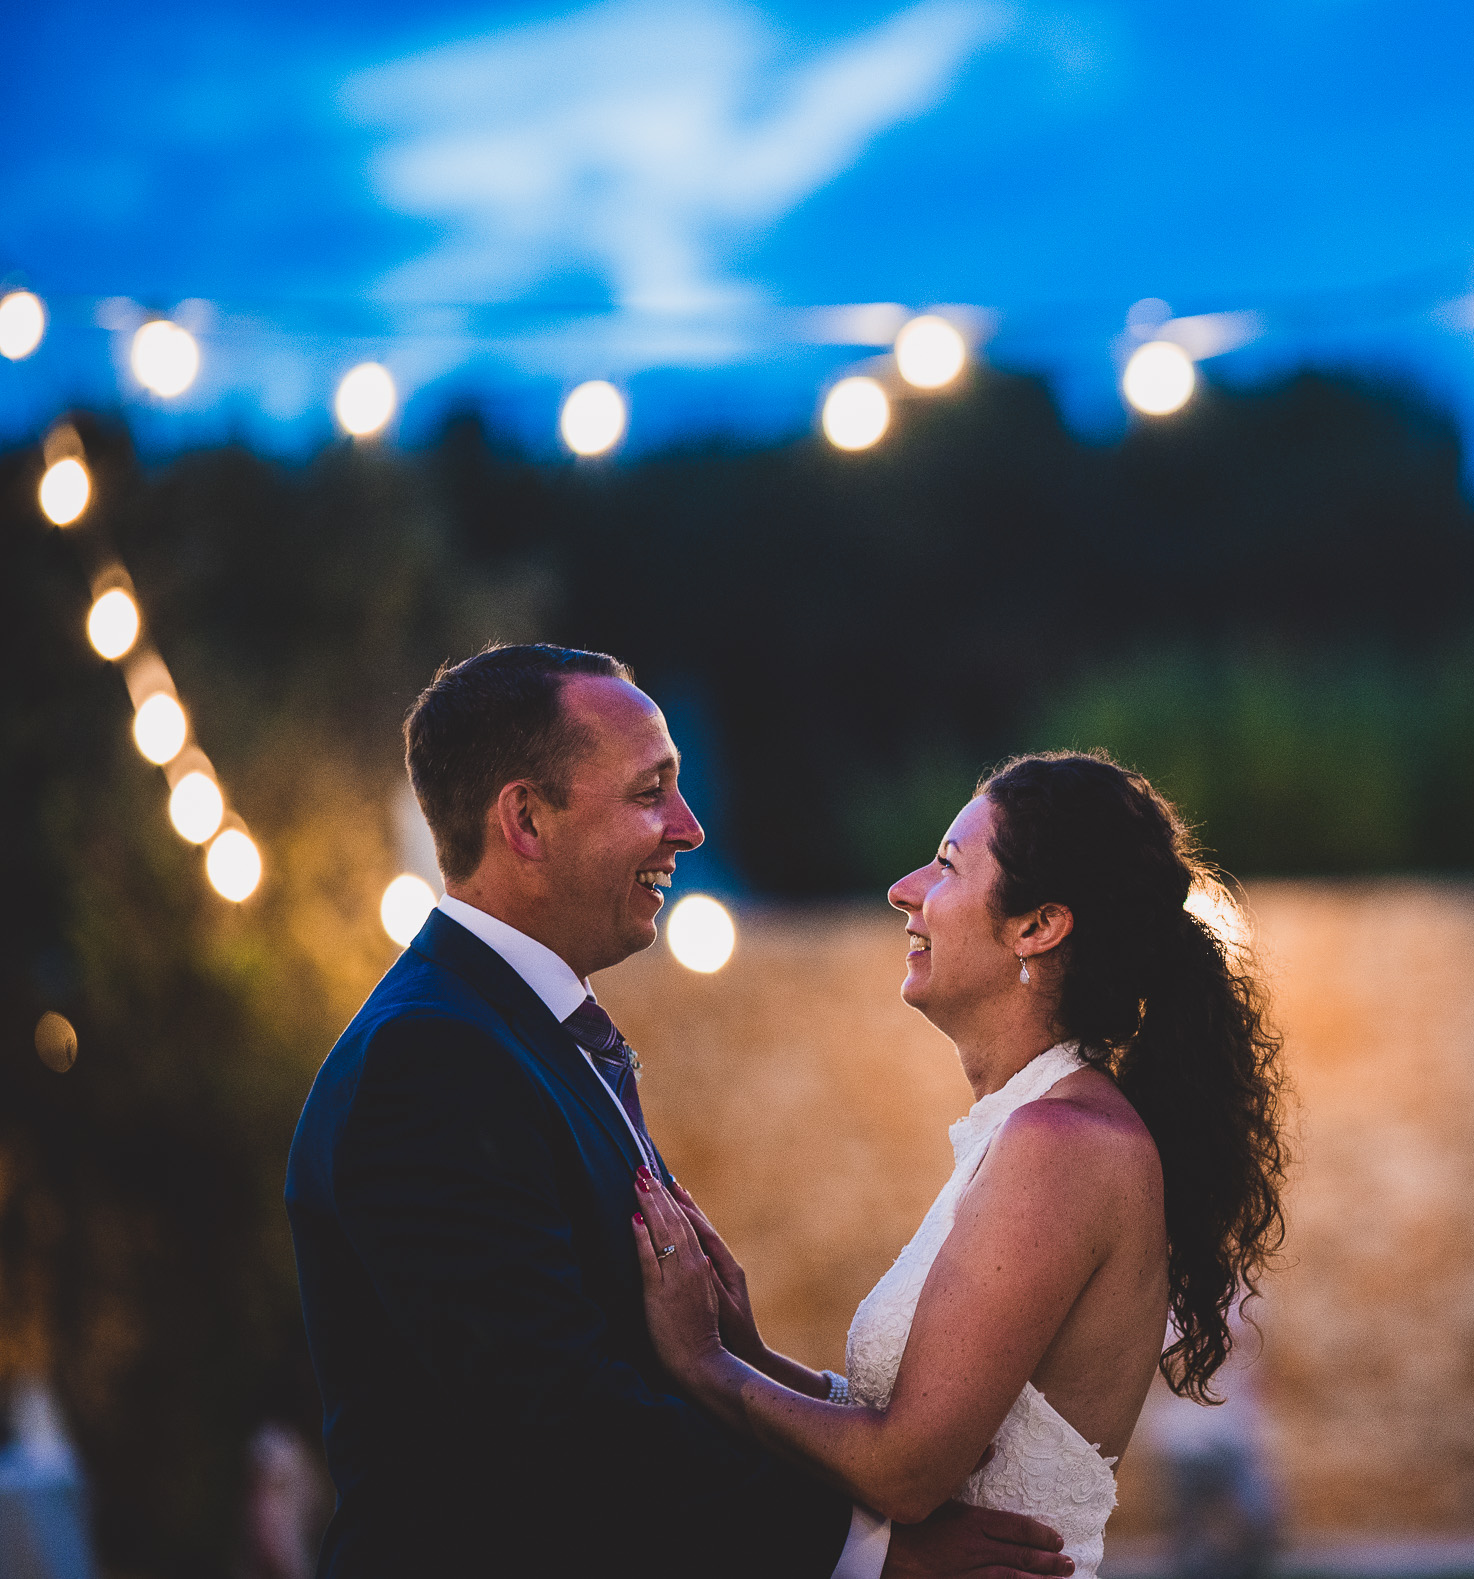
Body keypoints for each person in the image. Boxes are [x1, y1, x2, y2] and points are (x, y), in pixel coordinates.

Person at [284, 645, 1079, 1579]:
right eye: (649, 791)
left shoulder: (517, 1034)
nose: (690, 827)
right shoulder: (428, 1060)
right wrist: (873, 1550)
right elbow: (553, 1419)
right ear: (527, 820)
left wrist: (736, 1360)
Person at [631, 751, 1290, 1579]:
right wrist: (753, 1351)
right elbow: (918, 1418)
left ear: (1037, 926)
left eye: (946, 864)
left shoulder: (1065, 1143)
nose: (904, 889)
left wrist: (704, 1364)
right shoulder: (1024, 1128)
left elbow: (906, 1470)